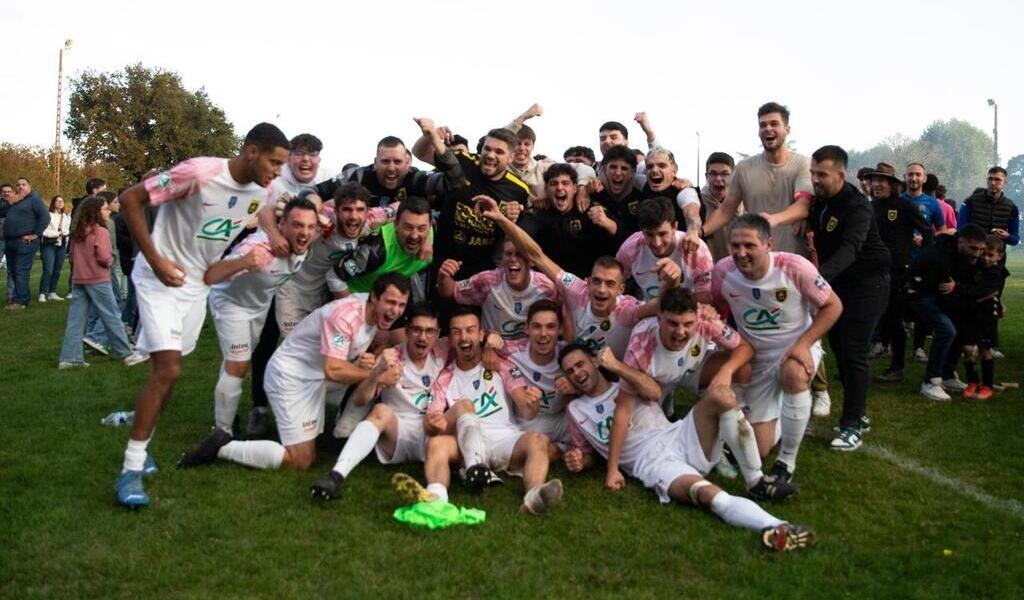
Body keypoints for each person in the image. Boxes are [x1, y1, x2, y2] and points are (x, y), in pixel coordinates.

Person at [113, 123, 291, 509]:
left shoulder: (265, 189)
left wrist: (273, 230)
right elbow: (130, 199)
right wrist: (156, 259)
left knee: (170, 365)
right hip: (161, 275)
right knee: (168, 369)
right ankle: (130, 468)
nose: (278, 171)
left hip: (197, 284)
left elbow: (260, 208)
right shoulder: (199, 172)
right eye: (275, 162)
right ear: (251, 151)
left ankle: (140, 433)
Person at [559, 344, 816, 552]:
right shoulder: (575, 410)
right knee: (707, 496)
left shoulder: (624, 384)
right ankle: (779, 526)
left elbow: (653, 390)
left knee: (721, 396)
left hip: (678, 434)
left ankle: (755, 481)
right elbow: (588, 452)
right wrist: (580, 461)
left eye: (580, 364)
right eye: (569, 371)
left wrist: (616, 367)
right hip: (652, 463)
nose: (577, 373)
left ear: (594, 362)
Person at [177, 273, 411, 474]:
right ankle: (222, 447)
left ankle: (342, 438)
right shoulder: (345, 316)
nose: (395, 310)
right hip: (290, 379)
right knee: (300, 460)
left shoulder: (372, 314)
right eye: (390, 302)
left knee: (372, 388)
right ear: (373, 297)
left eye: (401, 305)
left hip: (319, 378)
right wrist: (375, 374)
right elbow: (334, 368)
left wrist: (373, 367)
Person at [711, 214, 842, 483]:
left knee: (793, 373)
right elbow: (716, 304)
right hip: (757, 360)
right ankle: (789, 410)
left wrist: (804, 344)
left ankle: (786, 464)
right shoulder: (723, 271)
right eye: (735, 245)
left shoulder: (794, 267)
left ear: (768, 243)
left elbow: (834, 306)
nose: (741, 253)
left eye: (749, 245)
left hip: (794, 349)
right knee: (757, 449)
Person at [418, 306, 564, 515]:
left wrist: (533, 403)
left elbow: (526, 409)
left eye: (470, 330)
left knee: (538, 440)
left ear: (480, 334)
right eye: (457, 332)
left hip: (503, 439)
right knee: (438, 441)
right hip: (464, 444)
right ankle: (438, 498)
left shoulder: (501, 366)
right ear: (450, 338)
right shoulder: (444, 378)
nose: (463, 337)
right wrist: (434, 423)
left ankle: (534, 497)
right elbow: (432, 422)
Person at [480, 195, 664, 358]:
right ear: (588, 282)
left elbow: (662, 306)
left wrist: (672, 281)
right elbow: (536, 255)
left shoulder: (627, 309)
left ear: (621, 290)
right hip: (577, 370)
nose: (601, 289)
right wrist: (501, 219)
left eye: (610, 284)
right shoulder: (576, 290)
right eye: (597, 281)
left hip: (615, 377)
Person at [308, 304, 450, 500]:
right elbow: (360, 399)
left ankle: (443, 493)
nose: (422, 337)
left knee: (462, 408)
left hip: (432, 436)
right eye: (417, 330)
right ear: (407, 331)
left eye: (429, 331)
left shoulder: (444, 350)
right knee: (381, 410)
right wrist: (377, 376)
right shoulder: (390, 359)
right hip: (398, 434)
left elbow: (471, 341)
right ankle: (336, 475)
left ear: (438, 334)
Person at [204, 196, 317, 435]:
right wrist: (243, 261)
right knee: (238, 364)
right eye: (297, 225)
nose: (305, 232)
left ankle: (225, 412)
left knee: (236, 360)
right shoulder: (259, 249)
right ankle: (222, 431)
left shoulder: (309, 239)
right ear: (282, 225)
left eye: (310, 226)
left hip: (259, 305)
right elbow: (212, 275)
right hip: (230, 302)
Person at [805, 146, 891, 451]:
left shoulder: (857, 206)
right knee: (840, 348)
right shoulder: (820, 203)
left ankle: (852, 424)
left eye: (822, 175)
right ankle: (859, 412)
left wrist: (816, 277)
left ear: (840, 175)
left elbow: (850, 250)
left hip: (869, 285)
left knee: (853, 351)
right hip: (839, 284)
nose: (815, 180)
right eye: (813, 173)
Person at [412, 118, 530, 280]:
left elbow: (513, 237)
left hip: (483, 269)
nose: (490, 155)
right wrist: (429, 135)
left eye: (499, 152)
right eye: (487, 149)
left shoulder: (519, 190)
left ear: (511, 158)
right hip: (444, 260)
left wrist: (511, 220)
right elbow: (420, 153)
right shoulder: (463, 161)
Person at [699, 102, 814, 257]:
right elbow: (726, 210)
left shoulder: (804, 164)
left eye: (774, 124)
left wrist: (775, 219)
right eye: (763, 125)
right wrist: (698, 233)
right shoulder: (744, 168)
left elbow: (803, 205)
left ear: (787, 130)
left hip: (793, 261)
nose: (768, 129)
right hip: (757, 262)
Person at [903, 224, 988, 401]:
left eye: (981, 249)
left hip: (941, 294)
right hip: (919, 293)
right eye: (973, 248)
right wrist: (965, 296)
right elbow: (944, 292)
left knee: (960, 326)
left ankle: (947, 375)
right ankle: (931, 381)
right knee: (947, 329)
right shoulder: (938, 257)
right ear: (961, 241)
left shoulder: (967, 257)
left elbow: (979, 287)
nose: (977, 254)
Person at [867, 162, 931, 383]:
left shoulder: (903, 206)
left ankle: (897, 367)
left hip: (896, 273)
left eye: (881, 181)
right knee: (870, 318)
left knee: (894, 320)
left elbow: (927, 233)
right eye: (873, 181)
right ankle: (856, 364)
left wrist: (918, 264)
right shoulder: (870, 207)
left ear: (892, 184)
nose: (876, 185)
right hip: (870, 272)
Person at [57, 197, 136, 368]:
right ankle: (125, 353)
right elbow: (104, 257)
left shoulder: (77, 231)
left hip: (79, 279)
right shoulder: (101, 231)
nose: (108, 211)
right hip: (98, 279)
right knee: (112, 315)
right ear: (96, 212)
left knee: (76, 319)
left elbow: (71, 255)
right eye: (105, 208)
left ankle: (70, 358)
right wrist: (109, 260)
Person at [490, 299, 571, 450]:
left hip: (561, 418)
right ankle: (559, 449)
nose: (543, 334)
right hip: (530, 422)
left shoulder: (568, 354)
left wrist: (573, 387)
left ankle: (566, 450)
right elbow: (489, 341)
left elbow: (592, 375)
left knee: (585, 420)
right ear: (526, 328)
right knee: (531, 443)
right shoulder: (512, 350)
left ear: (560, 330)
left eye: (550, 327)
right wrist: (488, 347)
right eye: (536, 327)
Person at [437, 240, 558, 340]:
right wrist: (444, 275)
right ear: (501, 259)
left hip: (529, 355)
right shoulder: (488, 281)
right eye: (508, 254)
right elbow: (450, 291)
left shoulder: (546, 288)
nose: (513, 259)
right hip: (493, 353)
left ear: (532, 260)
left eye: (519, 254)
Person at [518, 163, 619, 278]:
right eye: (553, 183)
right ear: (546, 189)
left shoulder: (591, 210)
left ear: (575, 188)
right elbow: (519, 237)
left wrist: (609, 225)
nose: (559, 187)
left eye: (565, 183)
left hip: (586, 285)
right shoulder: (538, 214)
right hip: (549, 283)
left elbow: (622, 241)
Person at [616, 197, 714, 302]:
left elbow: (706, 298)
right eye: (649, 234)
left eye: (662, 234)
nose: (657, 243)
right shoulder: (630, 249)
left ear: (675, 227)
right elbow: (613, 283)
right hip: (649, 311)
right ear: (642, 231)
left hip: (689, 311)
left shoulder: (697, 251)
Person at [320, 136, 445, 208]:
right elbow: (314, 192)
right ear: (375, 163)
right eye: (385, 161)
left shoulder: (416, 179)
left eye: (397, 161)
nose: (391, 168)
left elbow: (451, 182)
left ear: (407, 163)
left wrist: (434, 137)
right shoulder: (358, 176)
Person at [959, 236, 1008, 400]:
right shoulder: (974, 267)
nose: (985, 258)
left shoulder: (998, 273)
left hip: (987, 315)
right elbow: (975, 289)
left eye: (990, 255)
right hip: (969, 312)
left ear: (999, 256)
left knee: (985, 350)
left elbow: (986, 292)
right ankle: (972, 381)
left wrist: (970, 292)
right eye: (983, 254)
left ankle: (987, 385)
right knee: (967, 348)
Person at [1, 177, 49, 309]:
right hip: (10, 241)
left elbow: (45, 217)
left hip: (25, 241)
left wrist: (36, 234)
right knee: (13, 271)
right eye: (18, 185)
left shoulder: (35, 200)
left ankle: (21, 301)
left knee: (21, 270)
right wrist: (10, 202)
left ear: (29, 186)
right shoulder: (15, 201)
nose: (20, 187)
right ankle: (20, 297)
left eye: (23, 184)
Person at [699, 153, 738, 261]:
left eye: (725, 174)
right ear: (706, 176)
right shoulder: (697, 203)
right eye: (713, 173)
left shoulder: (743, 203)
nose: (718, 178)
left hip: (738, 271)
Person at [39, 195, 71, 302]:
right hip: (49, 244)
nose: (60, 203)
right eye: (57, 201)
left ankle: (52, 292)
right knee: (48, 269)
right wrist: (57, 233)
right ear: (53, 203)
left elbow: (67, 231)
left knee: (57, 270)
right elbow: (43, 231)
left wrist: (64, 233)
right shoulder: (47, 215)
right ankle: (42, 293)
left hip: (61, 245)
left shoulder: (66, 217)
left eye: (62, 201)